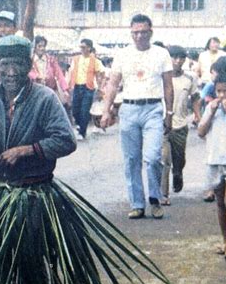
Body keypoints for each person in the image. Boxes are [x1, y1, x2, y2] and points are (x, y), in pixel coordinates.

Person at [0, 35, 174, 284]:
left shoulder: (45, 98)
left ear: (29, 64)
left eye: (18, 64)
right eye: (5, 64)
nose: (11, 72)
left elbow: (65, 140)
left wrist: (28, 150)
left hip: (33, 196)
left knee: (32, 265)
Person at [100, 14, 174, 220]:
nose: (139, 36)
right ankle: (137, 204)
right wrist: (106, 110)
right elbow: (113, 84)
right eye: (136, 32)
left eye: (143, 32)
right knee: (131, 160)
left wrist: (169, 113)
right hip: (130, 109)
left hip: (153, 109)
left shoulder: (161, 54)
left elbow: (168, 85)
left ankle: (154, 199)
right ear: (131, 33)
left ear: (151, 32)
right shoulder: (122, 55)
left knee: (152, 158)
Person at [197, 71, 226, 261]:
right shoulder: (210, 108)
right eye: (219, 91)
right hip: (215, 159)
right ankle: (225, 241)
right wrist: (212, 112)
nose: (222, 95)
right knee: (219, 202)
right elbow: (201, 131)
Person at [160, 46, 201, 206]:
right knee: (164, 160)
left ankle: (178, 174)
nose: (177, 61)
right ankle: (163, 194)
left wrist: (198, 115)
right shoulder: (161, 78)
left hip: (180, 125)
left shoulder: (189, 79)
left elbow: (196, 97)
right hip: (163, 125)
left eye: (181, 58)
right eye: (174, 58)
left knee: (179, 159)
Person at [68, 38, 105, 140]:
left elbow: (102, 73)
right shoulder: (75, 59)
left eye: (84, 47)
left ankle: (82, 132)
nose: (82, 49)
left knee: (84, 110)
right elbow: (71, 72)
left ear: (89, 48)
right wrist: (68, 86)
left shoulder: (95, 61)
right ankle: (80, 125)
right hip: (76, 86)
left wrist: (100, 86)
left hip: (88, 88)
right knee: (75, 109)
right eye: (81, 47)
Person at [29, 35, 69, 105]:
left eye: (44, 46)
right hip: (35, 92)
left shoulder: (51, 60)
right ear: (35, 47)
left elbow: (59, 74)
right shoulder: (30, 61)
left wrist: (65, 90)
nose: (42, 48)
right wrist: (37, 76)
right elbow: (27, 72)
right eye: (39, 46)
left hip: (50, 91)